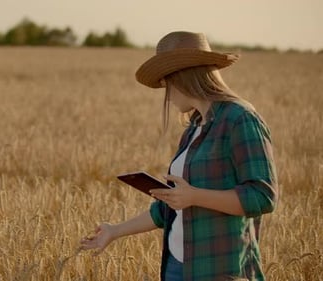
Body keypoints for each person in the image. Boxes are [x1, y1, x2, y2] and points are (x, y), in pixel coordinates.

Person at [79, 31, 278, 281]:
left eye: (166, 83)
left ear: (183, 77)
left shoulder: (240, 119)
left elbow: (262, 197)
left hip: (218, 270)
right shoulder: (195, 126)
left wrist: (194, 196)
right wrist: (114, 231)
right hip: (176, 266)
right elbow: (170, 208)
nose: (167, 94)